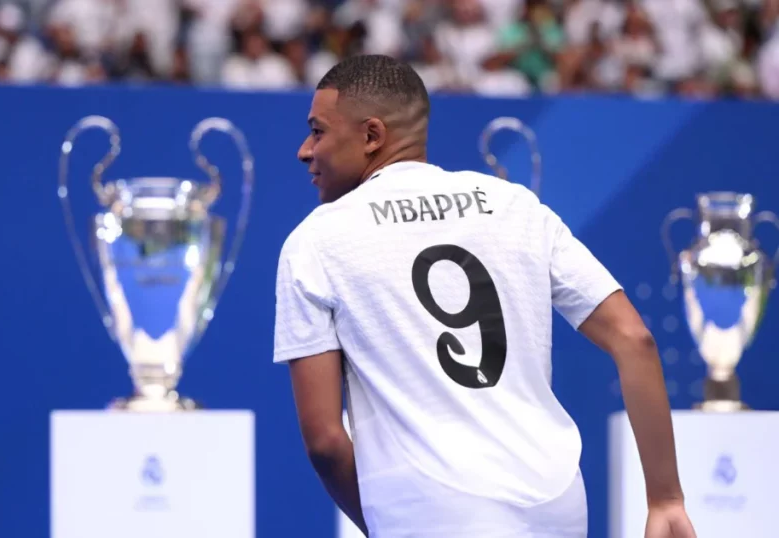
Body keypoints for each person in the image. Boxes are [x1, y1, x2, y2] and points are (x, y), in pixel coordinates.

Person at [272, 54, 697, 538]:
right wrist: (666, 499)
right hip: (555, 501)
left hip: (432, 509)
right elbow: (633, 338)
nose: (305, 150)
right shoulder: (514, 204)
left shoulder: (316, 240)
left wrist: (395, 524)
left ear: (372, 136)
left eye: (317, 131)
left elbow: (326, 441)